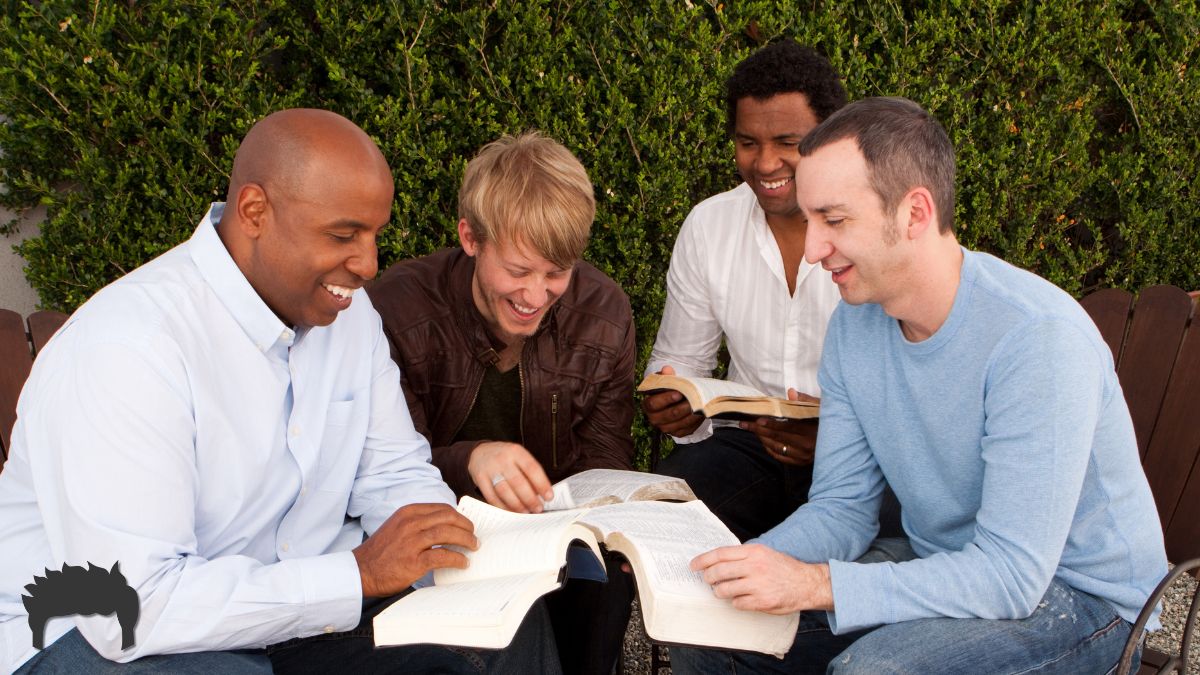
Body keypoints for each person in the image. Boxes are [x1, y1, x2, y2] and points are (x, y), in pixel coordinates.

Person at [0, 109, 559, 674]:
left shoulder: (350, 316)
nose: (368, 265)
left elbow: (392, 473)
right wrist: (360, 574)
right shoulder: (130, 348)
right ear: (254, 212)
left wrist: (457, 555)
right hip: (93, 636)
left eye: (374, 235)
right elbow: (136, 606)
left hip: (294, 618)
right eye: (344, 235)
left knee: (508, 621)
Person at [671, 96, 1169, 674]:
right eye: (809, 221)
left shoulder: (1036, 338)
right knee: (710, 628)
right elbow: (842, 510)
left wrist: (814, 583)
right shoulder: (855, 328)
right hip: (947, 564)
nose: (812, 249)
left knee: (875, 672)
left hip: (1083, 600)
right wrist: (738, 563)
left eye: (834, 220)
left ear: (914, 213)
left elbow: (1011, 575)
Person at [368, 131, 636, 675]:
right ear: (470, 237)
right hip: (441, 537)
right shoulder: (396, 311)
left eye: (557, 273)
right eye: (517, 271)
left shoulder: (604, 311)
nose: (535, 296)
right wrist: (470, 458)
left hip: (557, 540)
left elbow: (606, 460)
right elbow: (378, 470)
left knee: (612, 579)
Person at [642, 39, 852, 542]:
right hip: (747, 447)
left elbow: (913, 398)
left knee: (827, 568)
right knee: (646, 522)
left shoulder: (870, 227)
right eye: (748, 142)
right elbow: (677, 358)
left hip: (854, 460)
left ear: (830, 138)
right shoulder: (709, 225)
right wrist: (672, 402)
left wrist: (834, 439)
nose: (764, 163)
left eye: (787, 141)